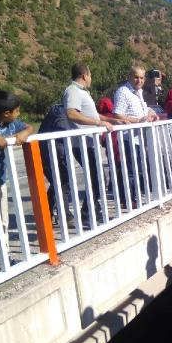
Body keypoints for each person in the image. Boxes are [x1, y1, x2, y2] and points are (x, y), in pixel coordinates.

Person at [63, 62, 124, 225]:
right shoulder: (73, 91)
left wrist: (112, 120)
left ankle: (92, 212)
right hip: (82, 143)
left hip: (89, 143)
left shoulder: (82, 92)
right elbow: (71, 113)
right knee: (96, 179)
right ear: (84, 75)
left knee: (97, 178)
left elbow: (94, 115)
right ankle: (88, 213)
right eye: (90, 75)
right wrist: (98, 124)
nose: (91, 78)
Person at [0, 91, 34, 274]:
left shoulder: (11, 124)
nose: (18, 114)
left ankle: (4, 257)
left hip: (0, 180)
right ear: (6, 113)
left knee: (2, 222)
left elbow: (28, 127)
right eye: (17, 111)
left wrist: (25, 133)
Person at [113, 65, 159, 207]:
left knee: (136, 169)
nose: (139, 80)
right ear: (129, 77)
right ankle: (129, 201)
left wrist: (150, 116)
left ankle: (133, 198)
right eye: (136, 77)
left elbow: (141, 113)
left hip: (138, 139)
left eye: (141, 77)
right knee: (130, 171)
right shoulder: (123, 92)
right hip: (128, 138)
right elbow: (117, 114)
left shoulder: (138, 92)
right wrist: (139, 121)